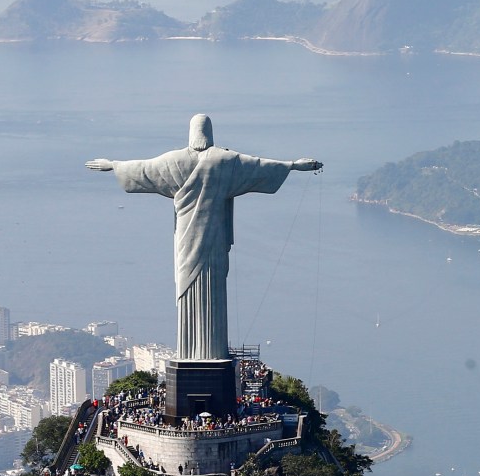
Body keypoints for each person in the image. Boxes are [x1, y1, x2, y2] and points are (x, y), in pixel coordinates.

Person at [87, 115, 320, 360]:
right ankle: (212, 351)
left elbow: (143, 169)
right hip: (215, 238)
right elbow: (259, 166)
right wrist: (293, 165)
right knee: (214, 289)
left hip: (186, 241)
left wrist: (113, 165)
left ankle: (190, 352)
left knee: (186, 287)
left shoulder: (173, 161)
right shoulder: (225, 161)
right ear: (210, 132)